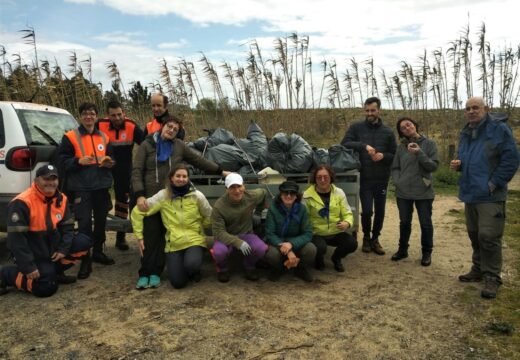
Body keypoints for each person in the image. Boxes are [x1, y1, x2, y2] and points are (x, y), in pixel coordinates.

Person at [132, 115, 229, 289]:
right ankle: (146, 271)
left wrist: (221, 171)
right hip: (153, 198)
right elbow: (137, 170)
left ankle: (159, 271)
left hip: (172, 197)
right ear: (162, 126)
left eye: (175, 129)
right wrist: (139, 194)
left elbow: (199, 160)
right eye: (169, 127)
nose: (171, 130)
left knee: (166, 237)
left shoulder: (179, 146)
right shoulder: (147, 145)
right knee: (151, 236)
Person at [450, 97, 519, 299]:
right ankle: (478, 269)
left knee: (489, 236)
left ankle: (492, 277)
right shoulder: (467, 131)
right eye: (467, 108)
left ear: (486, 109)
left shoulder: (498, 129)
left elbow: (512, 159)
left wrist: (494, 183)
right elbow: (469, 159)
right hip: (470, 192)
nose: (471, 111)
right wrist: (459, 165)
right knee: (474, 233)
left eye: (475, 108)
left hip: (490, 195)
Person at [0, 165, 91, 297]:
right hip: (34, 252)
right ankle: (6, 275)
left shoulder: (61, 199)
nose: (51, 182)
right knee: (46, 288)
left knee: (84, 242)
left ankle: (54, 273)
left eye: (54, 179)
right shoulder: (22, 202)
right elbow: (16, 240)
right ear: (36, 180)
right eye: (46, 179)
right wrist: (28, 266)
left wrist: (63, 250)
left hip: (52, 250)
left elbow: (68, 228)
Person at [58, 102, 115, 279]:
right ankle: (85, 259)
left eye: (92, 113)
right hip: (81, 188)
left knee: (100, 223)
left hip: (101, 187)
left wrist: (110, 162)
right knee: (83, 225)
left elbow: (111, 158)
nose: (88, 117)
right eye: (85, 114)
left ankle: (98, 252)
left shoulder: (104, 137)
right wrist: (77, 162)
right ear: (80, 116)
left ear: (96, 116)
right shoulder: (70, 137)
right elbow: (61, 162)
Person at [131, 164, 212, 289]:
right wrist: (139, 236)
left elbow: (209, 214)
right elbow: (138, 211)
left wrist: (203, 228)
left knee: (192, 264)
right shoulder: (163, 196)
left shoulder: (197, 196)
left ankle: (194, 270)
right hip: (173, 243)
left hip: (194, 240)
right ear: (171, 179)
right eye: (178, 176)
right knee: (178, 283)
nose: (181, 179)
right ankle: (186, 271)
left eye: (184, 176)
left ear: (188, 179)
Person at [341, 96, 397, 255]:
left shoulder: (387, 132)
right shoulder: (356, 128)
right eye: (367, 111)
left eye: (373, 110)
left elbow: (394, 154)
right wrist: (363, 146)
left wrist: (383, 156)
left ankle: (375, 239)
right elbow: (344, 143)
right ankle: (366, 237)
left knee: (380, 211)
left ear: (379, 110)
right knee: (366, 211)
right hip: (364, 177)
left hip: (381, 178)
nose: (370, 113)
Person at [390, 117, 439, 266]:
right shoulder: (401, 147)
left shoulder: (429, 144)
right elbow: (395, 167)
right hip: (403, 191)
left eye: (408, 125)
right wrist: (398, 181)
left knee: (425, 223)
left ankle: (426, 253)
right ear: (401, 133)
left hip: (423, 190)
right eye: (403, 128)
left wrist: (419, 153)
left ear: (414, 125)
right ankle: (402, 250)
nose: (407, 128)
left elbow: (433, 166)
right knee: (404, 222)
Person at [97, 100, 144, 251]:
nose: (117, 118)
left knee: (122, 201)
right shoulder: (100, 124)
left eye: (119, 114)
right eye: (113, 115)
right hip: (103, 167)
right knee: (101, 199)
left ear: (124, 113)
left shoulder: (131, 125)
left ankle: (120, 236)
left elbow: (145, 144)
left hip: (124, 169)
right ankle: (99, 236)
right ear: (107, 115)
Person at [211, 173, 268, 282]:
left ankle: (249, 266)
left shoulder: (252, 196)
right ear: (226, 189)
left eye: (239, 186)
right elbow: (218, 232)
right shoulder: (219, 206)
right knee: (219, 252)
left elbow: (264, 192)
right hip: (226, 236)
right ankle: (223, 269)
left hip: (246, 233)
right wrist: (237, 242)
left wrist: (258, 213)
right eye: (232, 187)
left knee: (261, 248)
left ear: (243, 186)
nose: (237, 191)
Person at [303, 165, 357, 272]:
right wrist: (309, 232)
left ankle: (336, 258)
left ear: (331, 177)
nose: (322, 180)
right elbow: (305, 218)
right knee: (320, 247)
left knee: (352, 243)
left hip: (335, 231)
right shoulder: (307, 195)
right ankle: (319, 259)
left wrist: (347, 222)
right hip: (317, 233)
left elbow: (347, 212)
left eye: (325, 177)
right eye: (319, 177)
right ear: (315, 179)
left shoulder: (339, 192)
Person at [264, 181, 316, 282]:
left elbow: (308, 233)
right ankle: (279, 268)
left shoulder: (302, 209)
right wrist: (287, 249)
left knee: (311, 249)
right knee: (271, 254)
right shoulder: (273, 209)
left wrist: (291, 244)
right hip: (278, 243)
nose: (288, 196)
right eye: (285, 193)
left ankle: (300, 269)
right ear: (281, 195)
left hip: (295, 242)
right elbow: (270, 234)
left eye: (292, 193)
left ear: (296, 196)